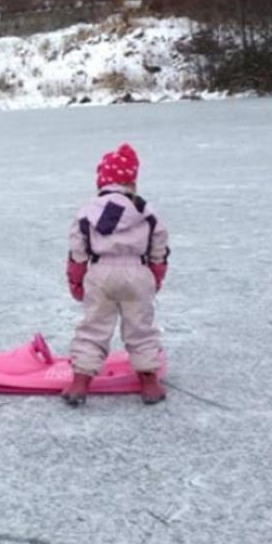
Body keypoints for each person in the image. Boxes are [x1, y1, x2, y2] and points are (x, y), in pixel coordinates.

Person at [63, 143, 170, 407]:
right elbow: (159, 246)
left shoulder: (89, 210)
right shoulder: (145, 210)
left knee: (93, 326)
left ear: (102, 180)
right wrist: (155, 275)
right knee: (140, 327)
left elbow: (77, 249)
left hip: (100, 272)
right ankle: (148, 381)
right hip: (136, 270)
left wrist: (77, 280)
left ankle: (80, 382)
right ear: (131, 181)